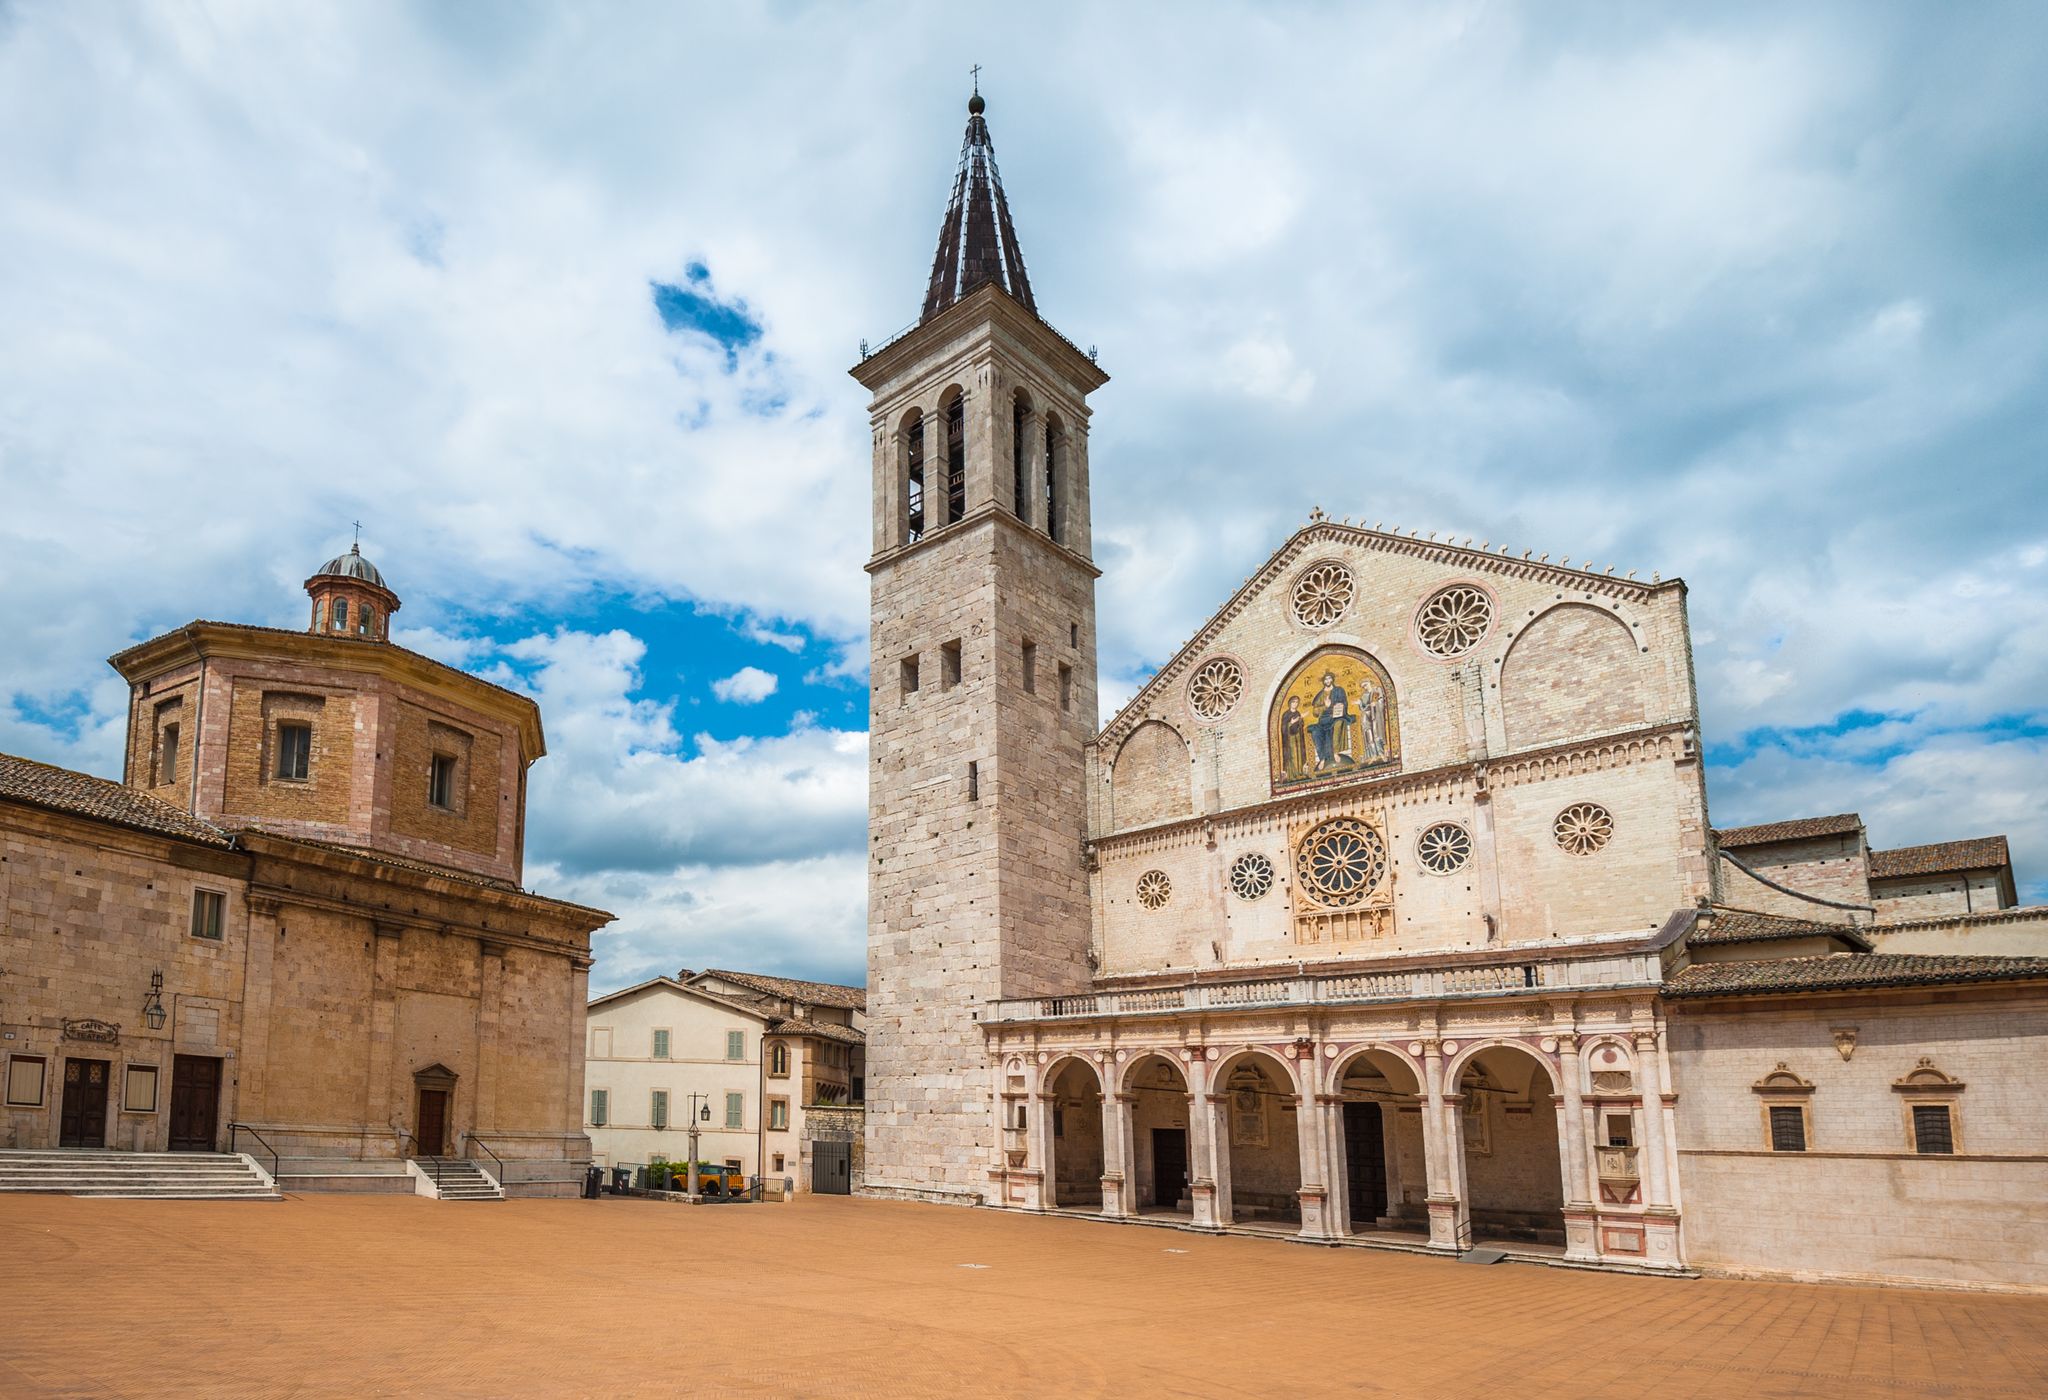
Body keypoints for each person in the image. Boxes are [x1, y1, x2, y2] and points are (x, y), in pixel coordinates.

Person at [1310, 671, 1350, 770]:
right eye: (1325, 679)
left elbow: (1344, 703)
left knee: (1338, 724)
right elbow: (1315, 712)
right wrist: (1325, 706)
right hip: (1324, 719)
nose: (1327, 681)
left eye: (1329, 678)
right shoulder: (1320, 695)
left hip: (1337, 717)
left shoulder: (1339, 690)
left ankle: (1335, 752)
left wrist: (1340, 707)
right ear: (1323, 681)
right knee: (1315, 732)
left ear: (1332, 679)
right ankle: (1322, 758)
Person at [1280, 695, 1308, 778]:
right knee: (1292, 755)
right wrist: (1291, 723)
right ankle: (1292, 775)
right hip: (1290, 738)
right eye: (1293, 702)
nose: (1295, 704)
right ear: (1289, 703)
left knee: (1299, 754)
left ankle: (1300, 772)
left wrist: (1300, 719)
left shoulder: (1297, 713)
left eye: (1296, 702)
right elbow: (1283, 727)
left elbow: (1301, 725)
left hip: (1298, 737)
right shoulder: (1286, 714)